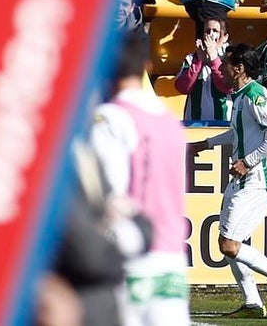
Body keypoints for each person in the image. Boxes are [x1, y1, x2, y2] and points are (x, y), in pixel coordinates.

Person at [188, 44, 267, 318]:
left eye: (226, 63)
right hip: (242, 180)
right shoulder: (240, 96)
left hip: (256, 179)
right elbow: (237, 133)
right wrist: (206, 143)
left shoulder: (256, 95)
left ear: (239, 68)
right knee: (230, 244)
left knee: (229, 244)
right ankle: (251, 302)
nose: (222, 69)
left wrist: (247, 161)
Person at [90, 31, 190, 325]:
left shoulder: (110, 118)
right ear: (147, 66)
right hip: (171, 256)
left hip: (130, 256)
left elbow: (109, 195)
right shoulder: (169, 120)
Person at [173, 18, 230, 122]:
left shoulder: (230, 59)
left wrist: (213, 60)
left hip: (223, 125)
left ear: (225, 37)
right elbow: (182, 88)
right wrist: (198, 61)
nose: (211, 35)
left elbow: (226, 87)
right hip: (194, 124)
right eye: (207, 31)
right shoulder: (191, 58)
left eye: (215, 31)